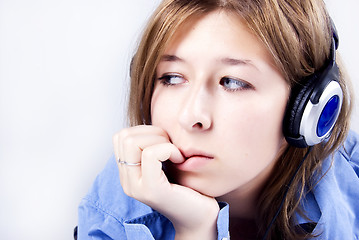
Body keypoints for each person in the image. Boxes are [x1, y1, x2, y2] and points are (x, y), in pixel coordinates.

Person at [77, 0, 359, 239]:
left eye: (233, 82)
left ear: (311, 109)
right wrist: (195, 230)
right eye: (172, 78)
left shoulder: (351, 183)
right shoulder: (116, 207)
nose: (190, 116)